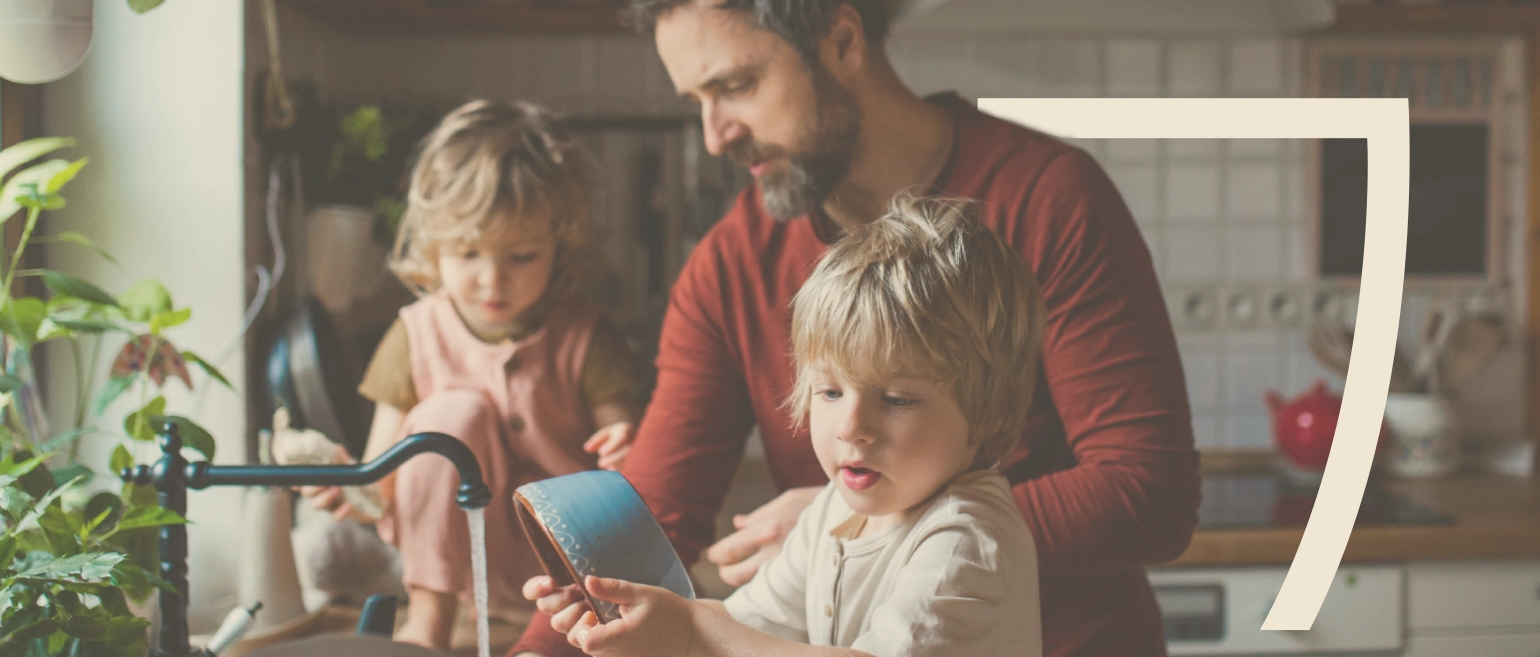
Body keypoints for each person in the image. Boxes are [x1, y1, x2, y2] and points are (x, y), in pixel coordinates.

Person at [517, 1, 1201, 655]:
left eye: (736, 85)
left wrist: (888, 515)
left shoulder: (1049, 198)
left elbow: (1146, 488)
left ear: (843, 41)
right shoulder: (729, 264)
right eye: (697, 100)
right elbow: (658, 513)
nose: (715, 134)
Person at [532, 194, 1047, 657]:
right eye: (829, 391)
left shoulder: (964, 542)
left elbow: (715, 639)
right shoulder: (834, 510)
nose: (851, 427)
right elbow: (744, 626)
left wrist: (691, 634)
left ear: (991, 412)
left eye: (895, 399)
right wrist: (637, 613)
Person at [305, 99, 646, 649]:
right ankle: (429, 624)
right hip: (456, 568)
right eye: (467, 254)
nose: (492, 280)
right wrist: (351, 484)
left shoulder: (585, 334)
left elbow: (631, 453)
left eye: (521, 257)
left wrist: (627, 447)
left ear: (559, 248)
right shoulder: (414, 335)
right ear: (434, 247)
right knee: (449, 416)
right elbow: (381, 477)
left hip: (570, 566)